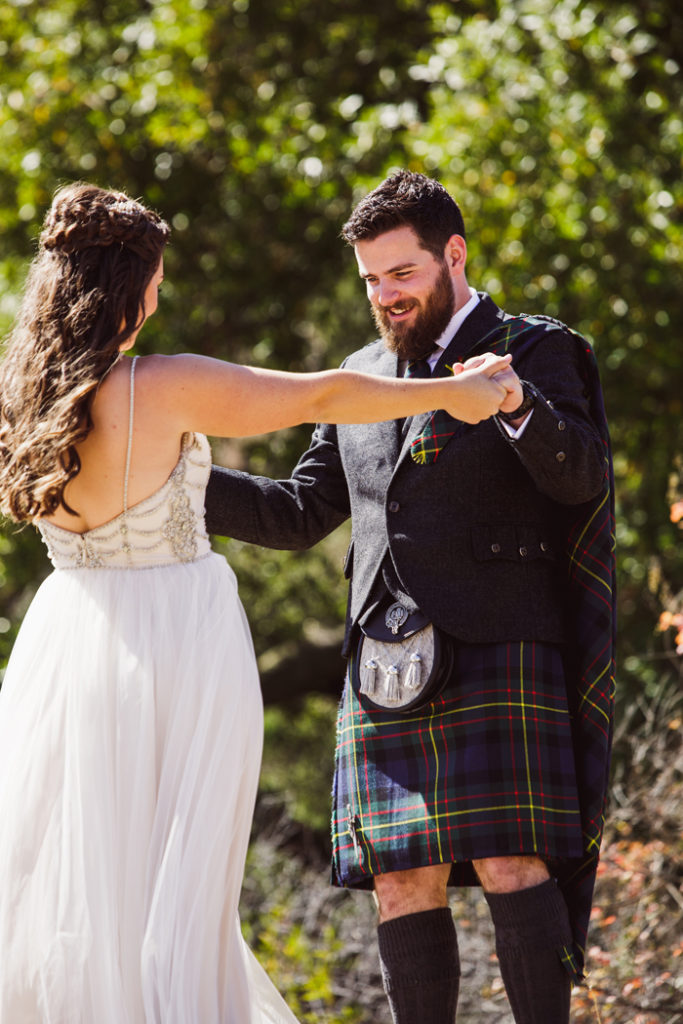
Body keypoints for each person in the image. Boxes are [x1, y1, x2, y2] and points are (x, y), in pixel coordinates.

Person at [0, 182, 515, 1024]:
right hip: (180, 646)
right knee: (183, 895)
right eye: (157, 278)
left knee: (76, 877)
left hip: (67, 645)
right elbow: (320, 394)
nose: (160, 294)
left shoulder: (19, 401)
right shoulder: (156, 385)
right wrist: (445, 395)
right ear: (131, 287)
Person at [203, 170, 616, 1024]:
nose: (384, 296)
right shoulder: (357, 377)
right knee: (397, 881)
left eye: (401, 274)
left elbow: (581, 478)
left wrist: (513, 404)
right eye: (370, 281)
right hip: (381, 659)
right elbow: (299, 512)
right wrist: (177, 478)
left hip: (500, 645)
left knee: (512, 863)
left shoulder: (534, 347)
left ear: (452, 255)